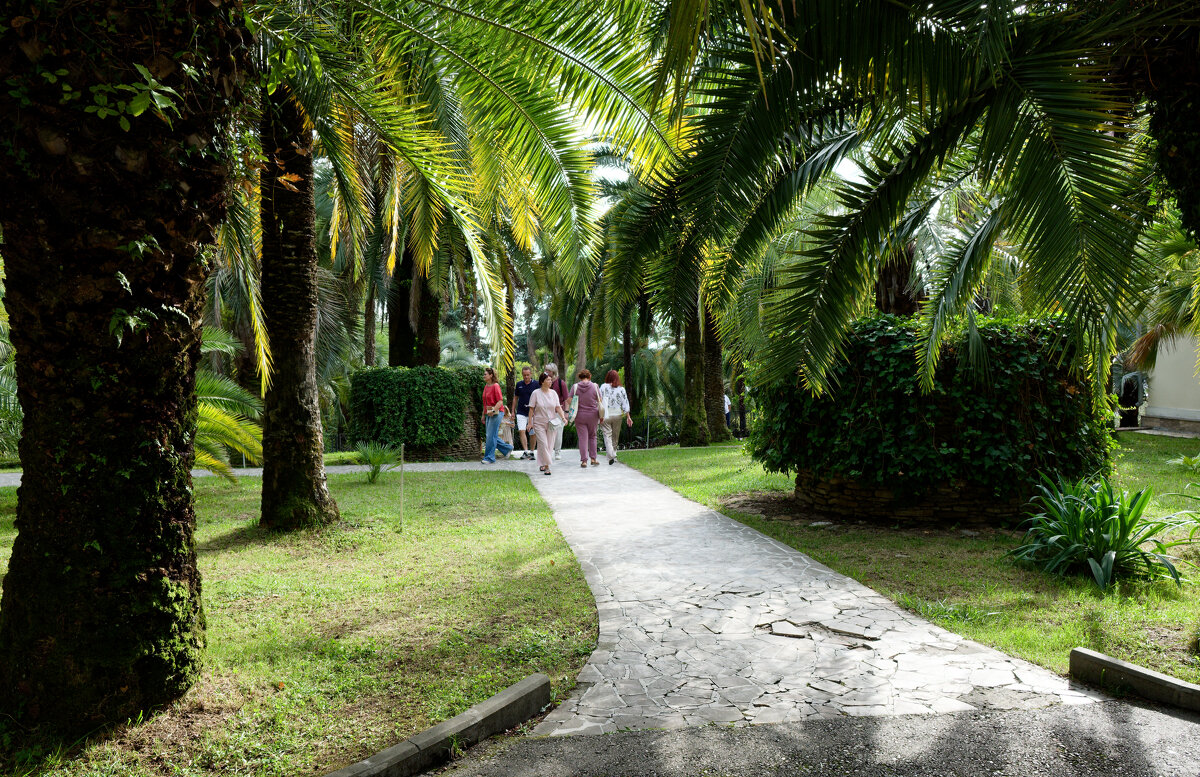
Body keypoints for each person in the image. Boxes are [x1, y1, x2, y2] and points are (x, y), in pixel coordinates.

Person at [528, 371, 567, 475]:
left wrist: (563, 418)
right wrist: (529, 423)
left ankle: (542, 463)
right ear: (542, 381)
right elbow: (531, 409)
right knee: (543, 443)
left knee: (549, 445)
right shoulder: (535, 393)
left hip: (551, 423)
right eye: (548, 380)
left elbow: (558, 407)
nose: (550, 382)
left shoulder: (553, 393)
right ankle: (547, 466)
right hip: (538, 423)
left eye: (551, 380)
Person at [598, 369, 633, 464]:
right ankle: (613, 455)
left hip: (606, 415)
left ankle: (611, 455)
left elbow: (599, 400)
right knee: (615, 437)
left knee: (607, 435)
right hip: (618, 415)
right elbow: (625, 403)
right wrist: (628, 417)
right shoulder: (621, 389)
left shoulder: (603, 387)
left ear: (607, 377)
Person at [480, 367, 514, 464]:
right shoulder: (486, 386)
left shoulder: (495, 386)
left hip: (497, 412)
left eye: (485, 374)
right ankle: (507, 448)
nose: (484, 375)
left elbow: (500, 401)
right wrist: (483, 415)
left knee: (490, 435)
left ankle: (489, 458)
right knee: (491, 435)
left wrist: (494, 410)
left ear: (491, 375)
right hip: (488, 413)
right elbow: (485, 404)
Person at [570, 369, 602, 467]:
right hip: (593, 415)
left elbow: (569, 400)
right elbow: (600, 400)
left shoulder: (575, 387)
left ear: (580, 377)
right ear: (589, 376)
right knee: (592, 436)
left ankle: (584, 461)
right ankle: (593, 458)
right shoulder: (595, 386)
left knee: (583, 438)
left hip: (580, 415)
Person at [513, 365, 538, 460]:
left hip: (533, 412)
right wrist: (512, 411)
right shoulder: (519, 384)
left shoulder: (536, 384)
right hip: (521, 412)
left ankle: (532, 452)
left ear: (530, 374)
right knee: (521, 430)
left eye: (528, 375)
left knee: (532, 433)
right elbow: (515, 398)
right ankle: (525, 451)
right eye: (524, 375)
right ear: (522, 375)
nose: (526, 377)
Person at [544, 363, 569, 461]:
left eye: (548, 370)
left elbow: (566, 399)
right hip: (547, 412)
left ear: (553, 372)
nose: (546, 372)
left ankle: (557, 452)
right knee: (548, 432)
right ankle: (549, 452)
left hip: (559, 411)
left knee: (558, 433)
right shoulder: (544, 382)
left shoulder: (560, 383)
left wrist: (566, 413)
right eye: (545, 370)